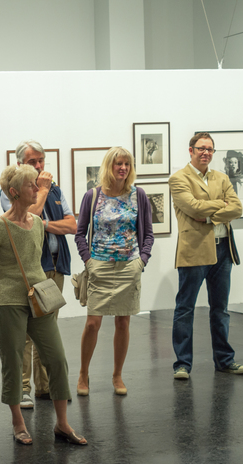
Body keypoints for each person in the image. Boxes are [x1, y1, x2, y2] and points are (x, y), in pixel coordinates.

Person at [0, 165, 86, 446]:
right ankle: (18, 422)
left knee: (57, 359)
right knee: (13, 362)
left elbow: (34, 261)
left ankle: (62, 423)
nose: (37, 189)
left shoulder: (38, 224)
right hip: (8, 303)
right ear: (14, 192)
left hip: (39, 297)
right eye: (31, 185)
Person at [0, 140, 75, 408]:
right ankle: (23, 389)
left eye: (41, 160)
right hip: (32, 269)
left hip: (55, 266)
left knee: (48, 330)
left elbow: (72, 225)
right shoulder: (12, 191)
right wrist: (41, 190)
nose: (39, 166)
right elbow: (28, 219)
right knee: (26, 332)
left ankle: (45, 387)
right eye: (33, 162)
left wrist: (46, 224)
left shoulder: (55, 189)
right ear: (20, 163)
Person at [74, 147, 154, 397]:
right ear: (109, 166)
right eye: (118, 163)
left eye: (127, 164)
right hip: (100, 267)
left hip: (129, 267)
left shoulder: (138, 195)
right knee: (92, 323)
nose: (123, 168)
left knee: (123, 322)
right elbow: (80, 233)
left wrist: (141, 261)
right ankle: (83, 374)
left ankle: (117, 375)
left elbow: (148, 234)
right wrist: (89, 262)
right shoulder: (93, 195)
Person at [170, 133, 243, 379]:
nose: (206, 153)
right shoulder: (179, 178)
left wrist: (210, 215)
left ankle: (225, 360)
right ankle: (182, 364)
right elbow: (193, 208)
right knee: (185, 308)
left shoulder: (222, 177)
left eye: (210, 149)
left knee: (220, 309)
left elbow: (237, 208)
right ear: (191, 150)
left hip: (223, 250)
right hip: (195, 250)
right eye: (201, 148)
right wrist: (222, 205)